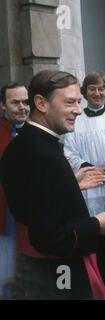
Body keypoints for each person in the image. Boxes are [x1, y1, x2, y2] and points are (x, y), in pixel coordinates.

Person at [1, 70, 105, 299]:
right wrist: (97, 224)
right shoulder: (45, 155)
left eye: (78, 102)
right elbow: (50, 237)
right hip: (57, 270)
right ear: (41, 103)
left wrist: (70, 185)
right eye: (69, 102)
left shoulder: (23, 143)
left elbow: (36, 195)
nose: (77, 110)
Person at [63, 71, 105, 297]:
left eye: (101, 88)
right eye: (92, 88)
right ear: (85, 92)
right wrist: (89, 167)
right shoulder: (77, 118)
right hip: (90, 184)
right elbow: (69, 151)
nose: (97, 93)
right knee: (96, 241)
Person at [0, 83, 29, 299]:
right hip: (4, 218)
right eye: (15, 102)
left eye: (25, 102)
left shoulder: (34, 132)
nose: (22, 107)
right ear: (2, 105)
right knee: (5, 278)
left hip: (31, 219)